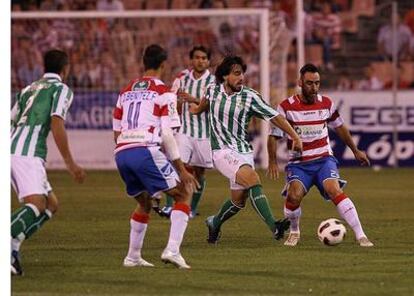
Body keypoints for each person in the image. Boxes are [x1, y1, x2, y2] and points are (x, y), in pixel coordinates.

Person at [190, 55, 303, 244]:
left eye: (242, 73)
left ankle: (214, 223)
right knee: (253, 179)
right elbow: (202, 107)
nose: (241, 77)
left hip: (244, 152)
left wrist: (295, 136)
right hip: (221, 151)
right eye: (236, 73)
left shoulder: (250, 96)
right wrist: (191, 108)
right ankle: (275, 227)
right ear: (225, 76)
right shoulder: (212, 91)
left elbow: (275, 117)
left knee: (238, 201)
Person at [267, 63, 374, 247]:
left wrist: (355, 150)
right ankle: (294, 231)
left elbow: (340, 128)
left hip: (324, 160)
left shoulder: (326, 103)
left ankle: (361, 235)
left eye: (317, 83)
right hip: (299, 164)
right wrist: (272, 161)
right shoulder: (285, 107)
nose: (314, 87)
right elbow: (273, 136)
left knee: (334, 189)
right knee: (293, 196)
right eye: (309, 83)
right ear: (300, 82)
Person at [113, 44, 199, 269]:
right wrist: (181, 169)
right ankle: (172, 250)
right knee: (184, 191)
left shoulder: (126, 91)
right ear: (163, 64)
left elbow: (116, 129)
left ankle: (132, 257)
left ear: (144, 63)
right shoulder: (164, 92)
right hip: (144, 150)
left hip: (122, 152)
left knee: (143, 202)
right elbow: (168, 134)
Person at [11, 49, 86, 276]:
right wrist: (70, 164)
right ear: (65, 69)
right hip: (28, 153)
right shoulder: (61, 89)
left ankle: (13, 249)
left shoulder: (28, 89)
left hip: (13, 148)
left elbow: (10, 120)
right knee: (36, 204)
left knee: (51, 204)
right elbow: (56, 122)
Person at [160, 45, 215, 219]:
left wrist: (194, 100)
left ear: (208, 61)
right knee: (177, 167)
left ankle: (192, 208)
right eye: (197, 57)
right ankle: (171, 206)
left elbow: (215, 106)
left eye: (204, 58)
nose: (200, 61)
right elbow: (173, 102)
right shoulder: (182, 80)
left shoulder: (214, 82)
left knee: (199, 172)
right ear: (192, 60)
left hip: (204, 133)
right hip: (184, 131)